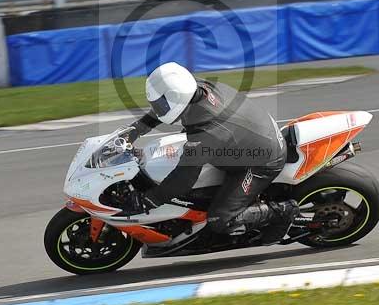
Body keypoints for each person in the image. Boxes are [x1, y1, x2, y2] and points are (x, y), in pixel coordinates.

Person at [124, 62, 299, 245]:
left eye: (160, 103)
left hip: (262, 162)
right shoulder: (196, 88)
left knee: (219, 219)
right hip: (252, 135)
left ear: (177, 97)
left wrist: (151, 200)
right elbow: (166, 108)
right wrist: (135, 130)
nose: (158, 107)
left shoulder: (206, 131)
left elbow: (183, 179)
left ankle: (283, 211)